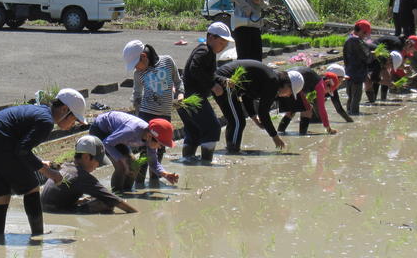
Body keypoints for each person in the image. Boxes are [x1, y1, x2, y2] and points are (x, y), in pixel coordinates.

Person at [0, 88, 87, 237]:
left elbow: (20, 145)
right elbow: (22, 151)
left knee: (1, 198)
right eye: (74, 119)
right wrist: (50, 173)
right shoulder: (46, 122)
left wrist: (39, 162)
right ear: (65, 109)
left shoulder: (41, 112)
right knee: (32, 188)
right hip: (0, 147)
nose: (73, 124)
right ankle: (38, 235)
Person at [123, 40, 183, 181]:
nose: (136, 68)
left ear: (144, 56)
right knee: (145, 151)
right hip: (146, 116)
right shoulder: (138, 74)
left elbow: (178, 81)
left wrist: (180, 94)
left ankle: (154, 181)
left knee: (160, 149)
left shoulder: (167, 62)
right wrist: (138, 116)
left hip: (164, 116)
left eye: (136, 64)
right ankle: (139, 182)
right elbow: (137, 95)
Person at [213, 60, 303, 152]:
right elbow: (263, 113)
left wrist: (255, 119)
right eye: (291, 92)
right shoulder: (273, 82)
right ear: (287, 85)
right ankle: (233, 151)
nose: (288, 95)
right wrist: (275, 136)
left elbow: (246, 96)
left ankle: (232, 148)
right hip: (224, 81)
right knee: (237, 121)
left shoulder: (269, 79)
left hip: (228, 83)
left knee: (237, 121)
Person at [40, 136, 137, 214]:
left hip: (46, 209)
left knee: (90, 199)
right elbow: (113, 199)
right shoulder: (81, 176)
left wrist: (81, 200)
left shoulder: (65, 166)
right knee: (105, 203)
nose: (98, 165)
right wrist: (136, 213)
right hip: (58, 212)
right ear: (86, 157)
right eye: (98, 160)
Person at [180, 22, 232, 163]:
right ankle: (206, 163)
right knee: (212, 128)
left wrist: (223, 80)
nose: (223, 46)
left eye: (225, 44)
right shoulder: (205, 51)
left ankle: (187, 161)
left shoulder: (208, 51)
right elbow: (194, 68)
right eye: (221, 43)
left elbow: (209, 74)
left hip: (185, 98)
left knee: (194, 131)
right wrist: (212, 85)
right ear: (210, 37)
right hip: (193, 98)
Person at [89, 111, 179, 192]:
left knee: (134, 166)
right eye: (161, 144)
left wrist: (165, 174)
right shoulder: (131, 131)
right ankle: (116, 194)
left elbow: (153, 163)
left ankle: (127, 192)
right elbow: (107, 143)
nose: (160, 147)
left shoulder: (150, 138)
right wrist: (122, 160)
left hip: (115, 135)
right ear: (149, 136)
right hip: (101, 130)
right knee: (122, 166)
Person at [276, 66, 337, 136]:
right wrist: (328, 128)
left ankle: (280, 132)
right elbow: (321, 109)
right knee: (307, 110)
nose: (326, 93)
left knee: (291, 111)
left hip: (284, 81)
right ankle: (302, 134)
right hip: (292, 83)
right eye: (329, 91)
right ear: (327, 83)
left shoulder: (313, 78)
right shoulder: (320, 85)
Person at [342, 19, 372, 116]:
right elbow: (366, 57)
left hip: (349, 72)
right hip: (357, 74)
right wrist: (373, 55)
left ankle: (349, 114)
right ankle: (354, 116)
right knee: (356, 98)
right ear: (361, 31)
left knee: (350, 97)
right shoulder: (356, 41)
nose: (365, 36)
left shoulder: (349, 38)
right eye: (365, 34)